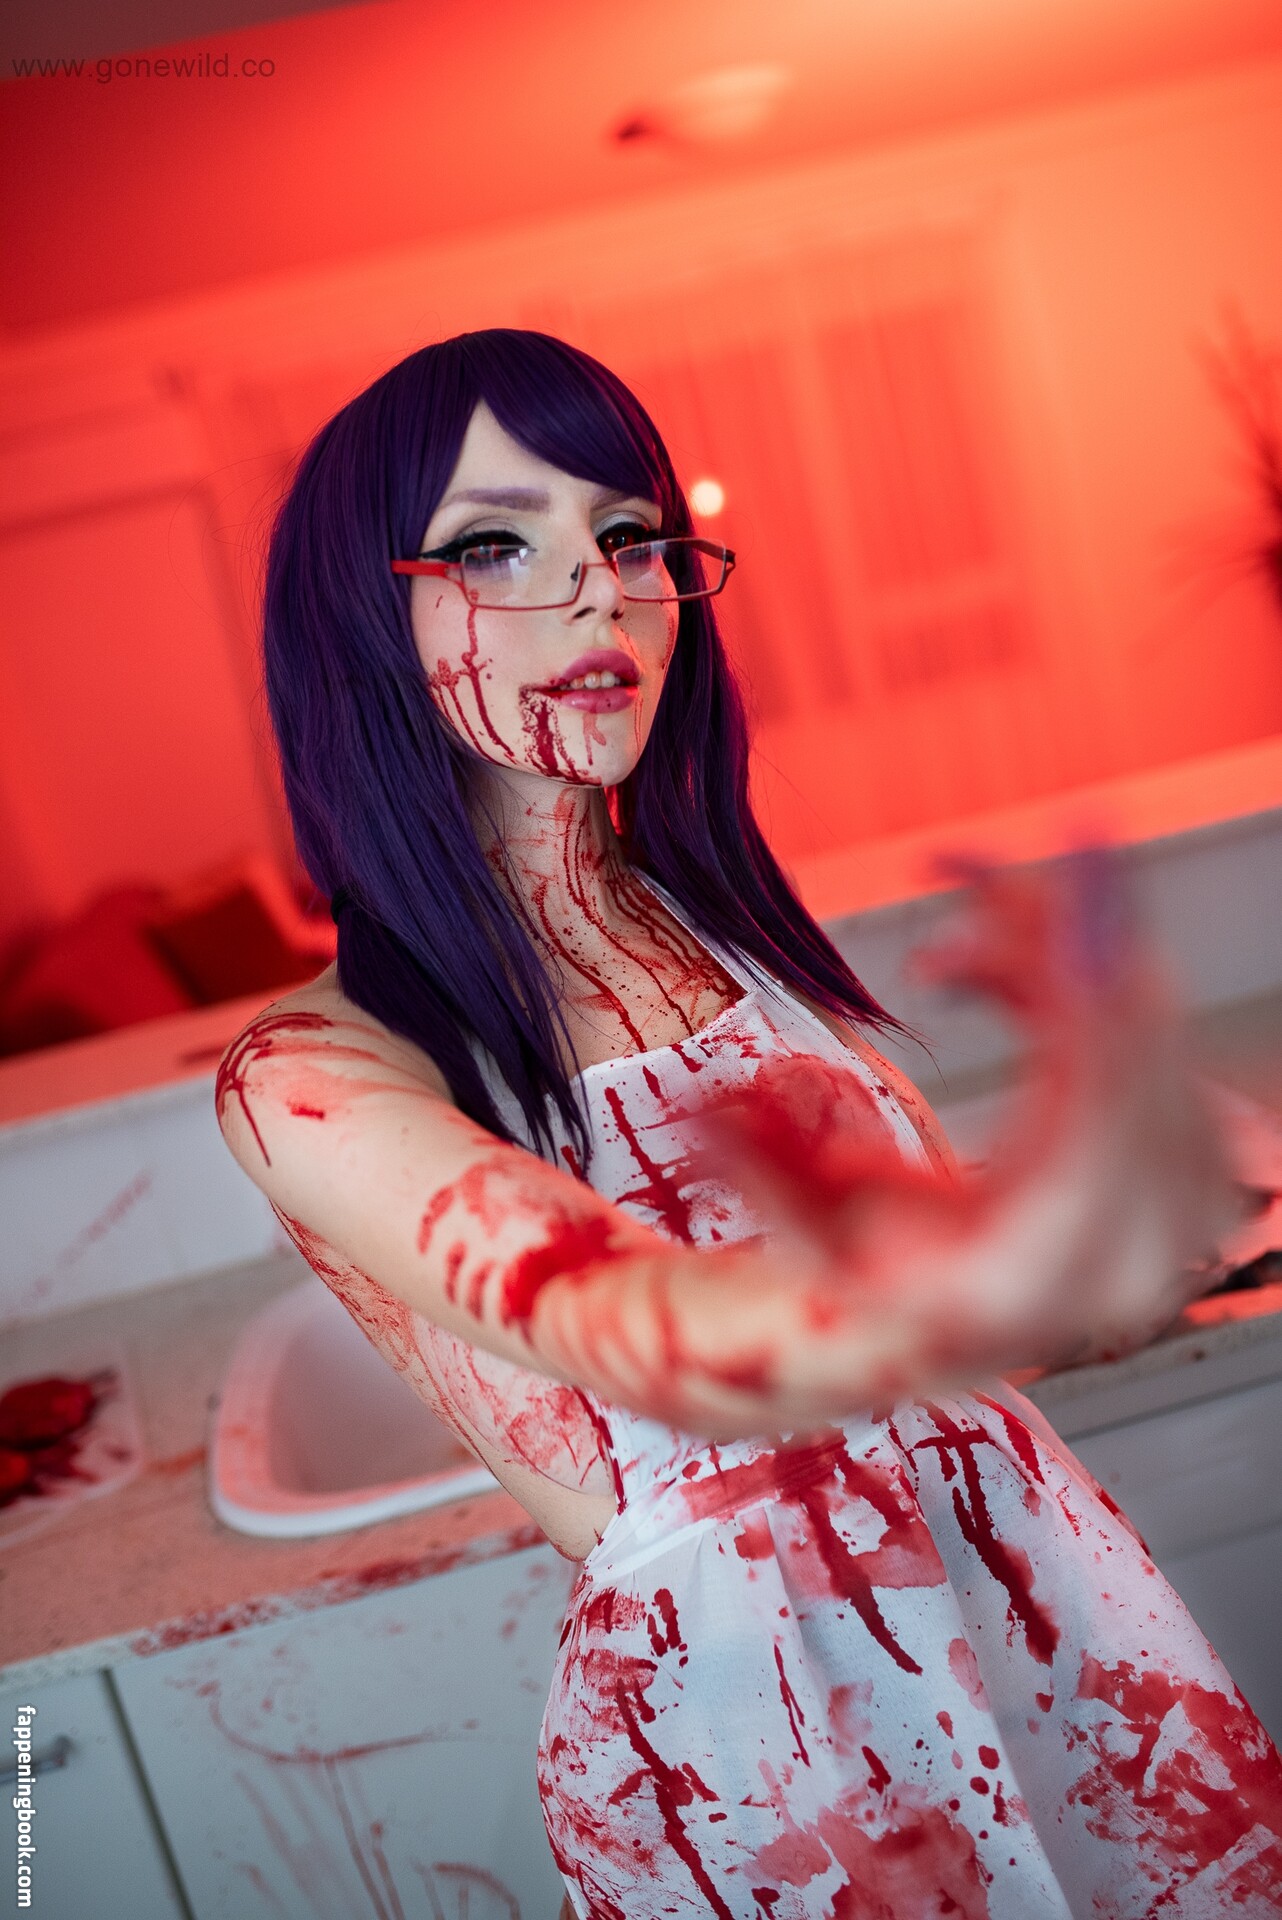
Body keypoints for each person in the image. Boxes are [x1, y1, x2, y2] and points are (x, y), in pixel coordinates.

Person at [217, 328, 1282, 1918]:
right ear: (358, 619)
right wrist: (1039, 1230)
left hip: (1045, 1628)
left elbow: (913, 1306)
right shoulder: (308, 1071)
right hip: (780, 1753)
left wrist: (1108, 1177)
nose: (597, 591)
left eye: (626, 535)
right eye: (494, 544)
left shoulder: (714, 927)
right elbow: (641, 1322)